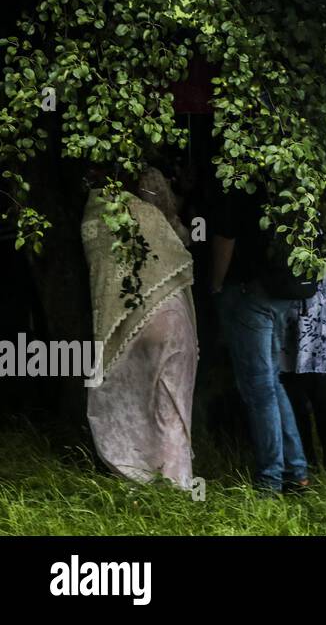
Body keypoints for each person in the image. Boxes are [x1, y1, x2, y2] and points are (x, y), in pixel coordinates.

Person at [82, 166, 198, 488]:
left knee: (131, 396)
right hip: (169, 313)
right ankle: (176, 481)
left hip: (124, 320)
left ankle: (137, 472)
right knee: (170, 403)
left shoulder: (93, 216)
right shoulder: (154, 218)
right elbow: (184, 240)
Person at [210, 185, 312, 495]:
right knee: (271, 382)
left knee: (259, 389)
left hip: (248, 290)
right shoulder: (293, 175)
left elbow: (226, 236)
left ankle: (270, 480)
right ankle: (296, 471)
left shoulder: (240, 180)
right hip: (283, 290)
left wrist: (214, 285)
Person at [282, 264, 326, 467]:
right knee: (295, 380)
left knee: (313, 380)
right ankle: (309, 456)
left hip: (316, 294)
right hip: (297, 291)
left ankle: (324, 455)